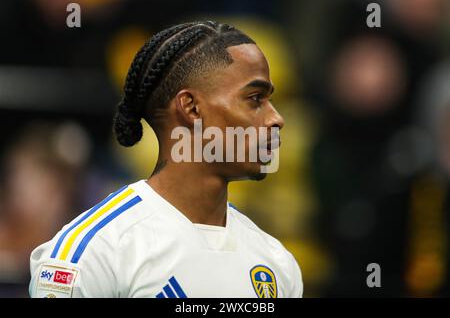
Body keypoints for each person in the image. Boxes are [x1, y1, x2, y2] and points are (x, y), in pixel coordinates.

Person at [29, 20, 303, 298]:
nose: (276, 119)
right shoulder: (92, 254)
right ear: (192, 108)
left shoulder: (278, 263)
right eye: (255, 98)